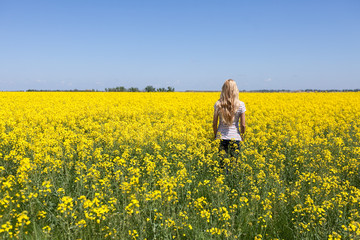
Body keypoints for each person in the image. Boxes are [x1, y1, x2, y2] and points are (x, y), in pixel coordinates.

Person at [213, 79, 246, 159]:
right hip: (235, 138)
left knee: (222, 166)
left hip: (221, 138)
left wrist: (216, 136)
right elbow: (243, 125)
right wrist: (242, 137)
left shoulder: (218, 104)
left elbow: (214, 124)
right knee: (234, 166)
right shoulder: (240, 105)